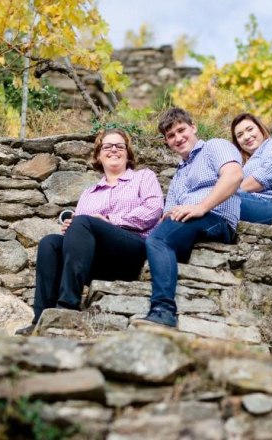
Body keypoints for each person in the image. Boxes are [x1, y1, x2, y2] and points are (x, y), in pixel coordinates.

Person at [15, 128, 163, 335]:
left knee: (83, 221)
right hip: (95, 261)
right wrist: (71, 229)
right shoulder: (89, 194)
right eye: (107, 146)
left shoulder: (143, 177)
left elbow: (154, 210)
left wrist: (110, 220)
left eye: (120, 146)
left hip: (132, 251)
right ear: (98, 155)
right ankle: (40, 319)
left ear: (128, 154)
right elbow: (79, 238)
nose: (114, 150)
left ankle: (67, 305)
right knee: (50, 242)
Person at [134, 107, 243, 328]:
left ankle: (163, 310)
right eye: (171, 136)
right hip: (188, 223)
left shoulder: (214, 146)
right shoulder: (178, 175)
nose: (178, 138)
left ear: (193, 127)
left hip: (216, 218)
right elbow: (168, 215)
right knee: (157, 238)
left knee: (158, 240)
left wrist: (201, 207)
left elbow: (234, 175)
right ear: (167, 142)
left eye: (181, 130)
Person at [230, 113, 272, 225]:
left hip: (270, 204)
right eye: (240, 135)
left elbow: (265, 177)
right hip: (248, 200)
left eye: (250, 129)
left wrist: (226, 191)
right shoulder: (241, 163)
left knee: (220, 200)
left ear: (260, 128)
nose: (246, 137)